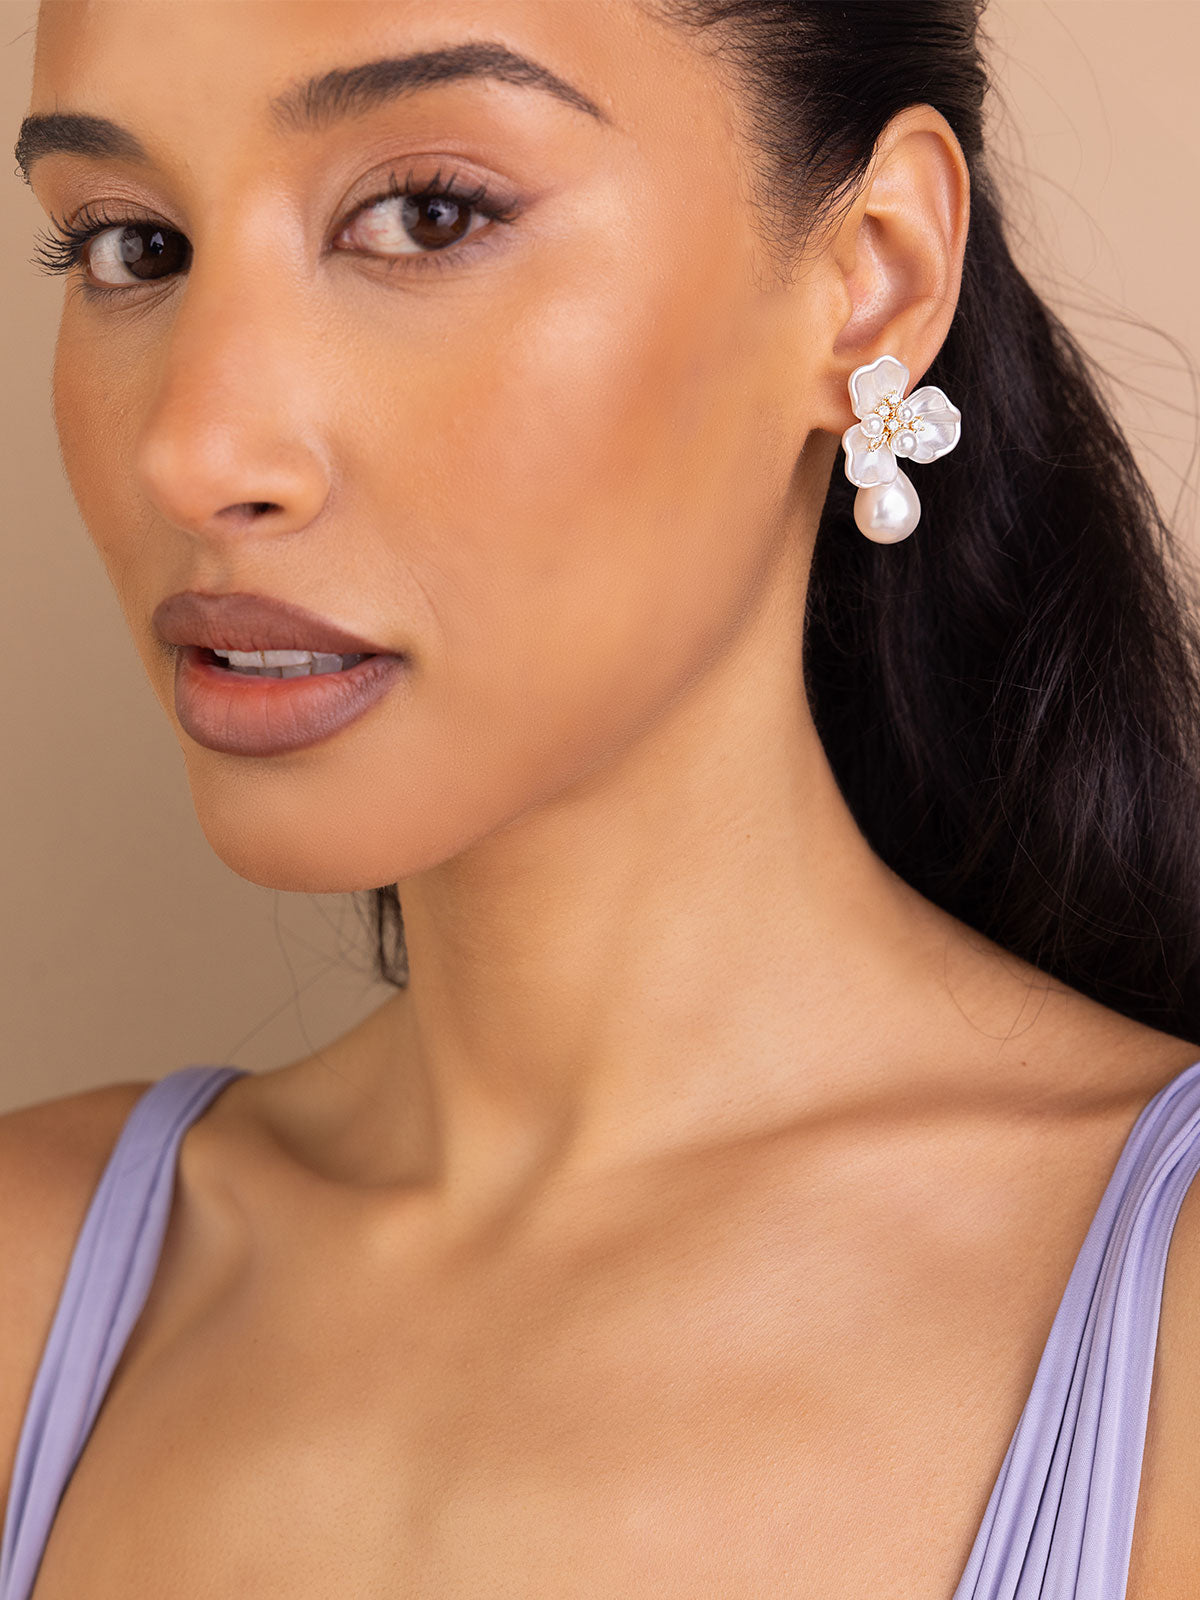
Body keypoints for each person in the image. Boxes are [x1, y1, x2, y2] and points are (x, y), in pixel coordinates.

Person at [3, 0, 1199, 1594]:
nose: (194, 452)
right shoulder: (28, 1295)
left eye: (429, 216)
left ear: (876, 277)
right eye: (131, 246)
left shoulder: (1167, 1337)